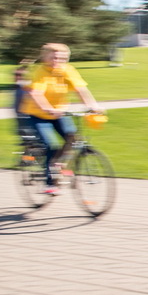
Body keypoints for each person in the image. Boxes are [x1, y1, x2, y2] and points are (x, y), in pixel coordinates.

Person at [17, 43, 103, 195]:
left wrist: (92, 106)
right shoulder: (39, 71)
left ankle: (58, 164)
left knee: (72, 137)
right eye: (54, 57)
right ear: (45, 57)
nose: (58, 60)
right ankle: (49, 182)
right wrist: (46, 108)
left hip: (58, 112)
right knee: (49, 144)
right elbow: (36, 93)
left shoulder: (68, 70)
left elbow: (80, 89)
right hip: (36, 114)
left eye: (62, 57)